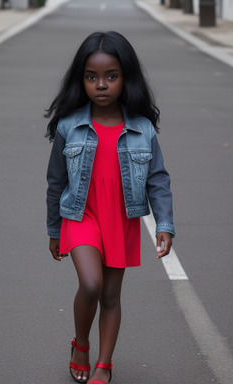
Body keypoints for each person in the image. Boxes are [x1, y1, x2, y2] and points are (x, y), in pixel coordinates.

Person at [45, 31, 175, 384]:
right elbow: (56, 182)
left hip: (121, 217)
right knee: (90, 284)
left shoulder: (143, 129)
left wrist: (164, 224)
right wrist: (54, 230)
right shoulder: (69, 126)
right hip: (80, 214)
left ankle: (104, 363)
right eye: (91, 77)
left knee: (111, 294)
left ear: (125, 78)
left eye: (111, 76)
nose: (101, 85)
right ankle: (82, 345)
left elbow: (158, 179)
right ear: (81, 79)